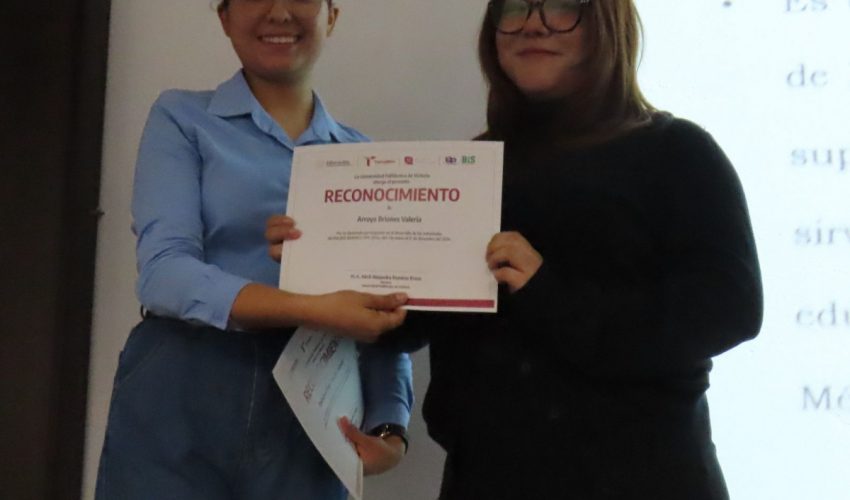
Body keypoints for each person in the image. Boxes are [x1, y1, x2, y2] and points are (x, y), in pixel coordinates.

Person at [267, 0, 763, 498]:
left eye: (561, 7)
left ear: (606, 24)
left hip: (641, 479)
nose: (532, 25)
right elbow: (421, 321)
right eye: (515, 8)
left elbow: (731, 310)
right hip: (486, 478)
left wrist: (550, 292)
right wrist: (324, 263)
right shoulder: (471, 169)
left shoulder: (677, 152)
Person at [95, 1, 414, 498]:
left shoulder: (367, 162)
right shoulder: (181, 117)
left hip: (313, 398)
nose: (279, 12)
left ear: (332, 15)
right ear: (224, 17)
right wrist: (312, 308)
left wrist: (391, 426)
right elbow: (163, 273)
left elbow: (387, 306)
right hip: (182, 387)